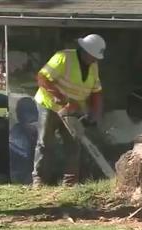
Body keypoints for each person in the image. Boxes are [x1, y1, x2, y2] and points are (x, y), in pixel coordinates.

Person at [31, 34, 106, 187]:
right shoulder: (63, 58)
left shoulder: (93, 66)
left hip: (72, 110)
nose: (95, 60)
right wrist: (57, 95)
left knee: (74, 143)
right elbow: (42, 77)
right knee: (45, 142)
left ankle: (70, 182)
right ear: (85, 51)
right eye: (93, 56)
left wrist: (94, 114)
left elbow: (96, 91)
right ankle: (39, 179)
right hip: (49, 105)